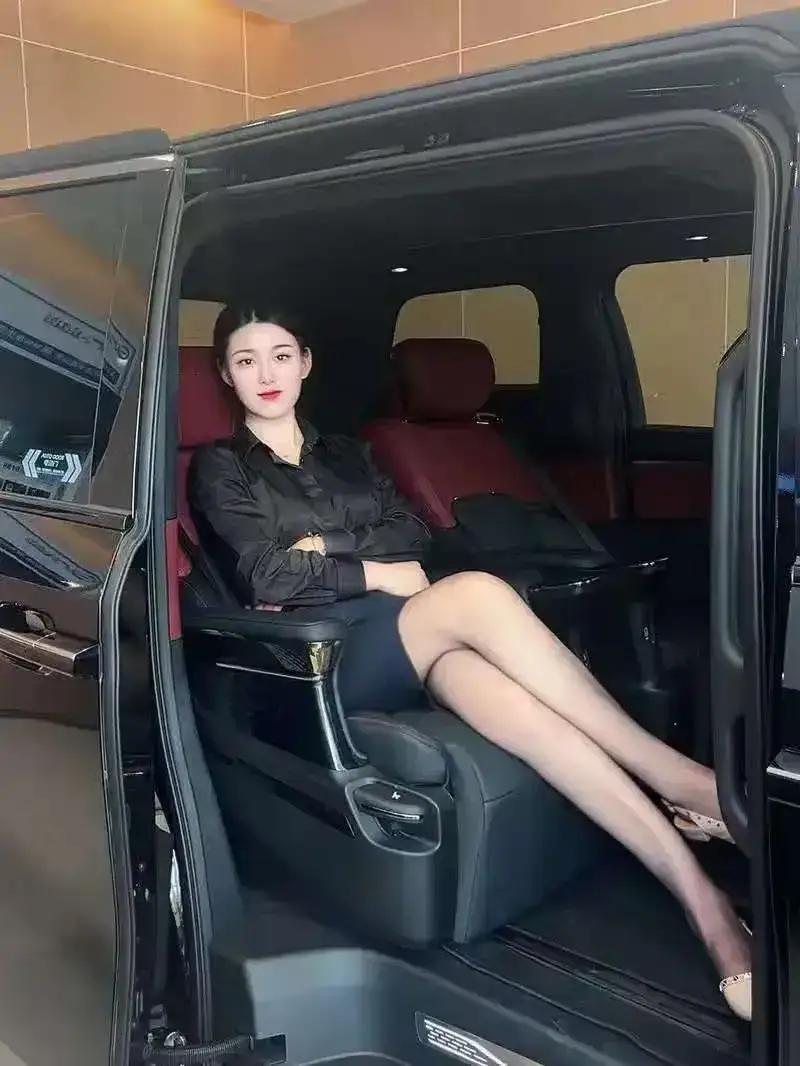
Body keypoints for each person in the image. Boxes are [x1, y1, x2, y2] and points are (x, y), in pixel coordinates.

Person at [188, 306, 752, 1021]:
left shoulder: (349, 454)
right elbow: (267, 576)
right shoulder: (221, 466)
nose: (265, 374)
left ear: (305, 362)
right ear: (226, 375)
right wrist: (374, 569)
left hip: (399, 633)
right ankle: (683, 780)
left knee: (521, 711)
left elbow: (413, 533)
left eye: (279, 355)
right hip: (313, 654)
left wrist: (319, 550)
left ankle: (705, 905)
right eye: (245, 361)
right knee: (477, 593)